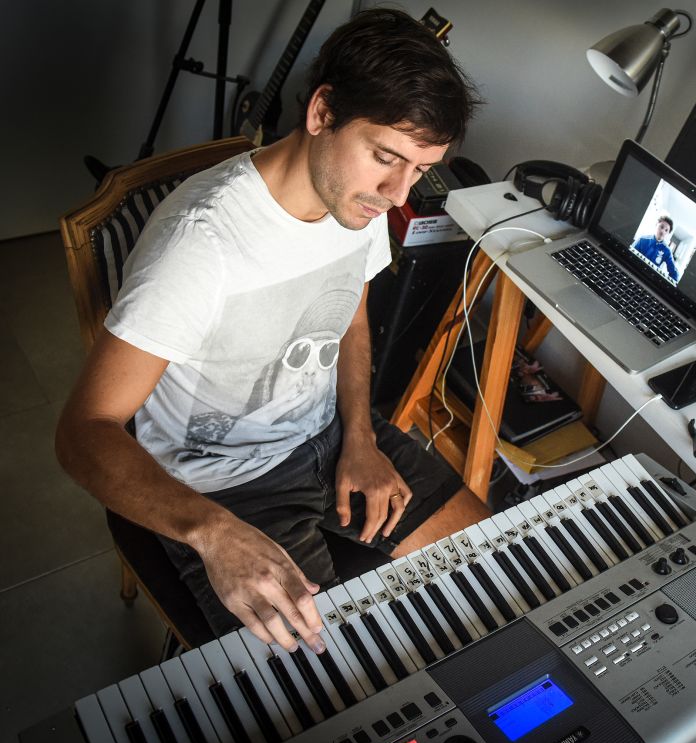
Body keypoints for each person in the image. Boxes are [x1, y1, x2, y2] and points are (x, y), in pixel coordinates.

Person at [55, 8, 486, 656]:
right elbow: (81, 433)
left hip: (332, 435)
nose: (398, 195)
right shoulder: (201, 242)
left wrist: (362, 437)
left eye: (419, 169)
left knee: (499, 570)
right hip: (224, 486)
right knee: (329, 694)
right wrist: (213, 531)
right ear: (322, 113)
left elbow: (349, 314)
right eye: (386, 158)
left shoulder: (358, 198)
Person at [634, 215, 678, 280]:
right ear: (656, 224)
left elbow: (674, 274)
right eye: (661, 227)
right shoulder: (642, 239)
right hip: (634, 271)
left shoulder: (667, 251)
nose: (663, 231)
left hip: (650, 279)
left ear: (668, 233)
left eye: (666, 230)